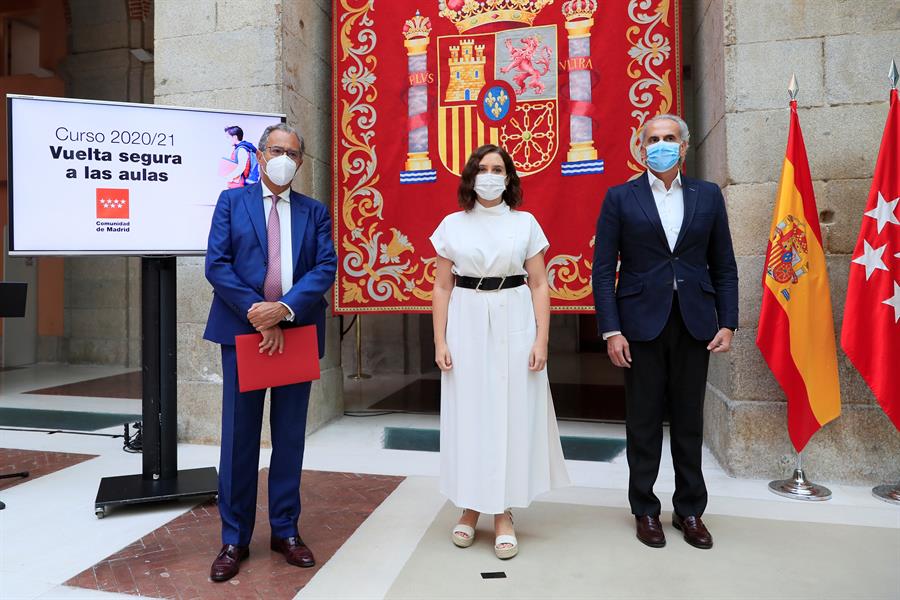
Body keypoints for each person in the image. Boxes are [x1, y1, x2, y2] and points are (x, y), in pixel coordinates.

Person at [592, 114, 738, 550]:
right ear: (641, 149)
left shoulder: (707, 196)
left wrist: (728, 321)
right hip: (640, 324)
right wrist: (611, 330)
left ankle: (690, 510)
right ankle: (645, 509)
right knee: (643, 422)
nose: (661, 145)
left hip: (695, 321)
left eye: (669, 138)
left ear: (684, 145)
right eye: (653, 139)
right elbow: (604, 271)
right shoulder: (620, 198)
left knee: (689, 421)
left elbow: (724, 265)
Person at [204, 123, 337, 582]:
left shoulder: (315, 212)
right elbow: (217, 265)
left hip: (296, 332)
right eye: (276, 150)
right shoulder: (231, 203)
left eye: (292, 153)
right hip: (243, 333)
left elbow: (324, 267)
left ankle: (286, 531)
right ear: (260, 155)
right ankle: (234, 538)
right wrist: (259, 313)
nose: (284, 158)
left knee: (290, 437)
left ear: (300, 163)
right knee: (238, 439)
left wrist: (283, 310)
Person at [430, 144, 569, 560]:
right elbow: (442, 286)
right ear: (470, 176)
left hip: (515, 317)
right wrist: (440, 340)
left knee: (509, 413)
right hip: (467, 320)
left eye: (497, 169)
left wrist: (541, 339)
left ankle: (503, 511)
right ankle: (470, 506)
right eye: (482, 168)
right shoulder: (452, 224)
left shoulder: (525, 223)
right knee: (471, 414)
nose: (489, 175)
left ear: (508, 178)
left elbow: (539, 284)